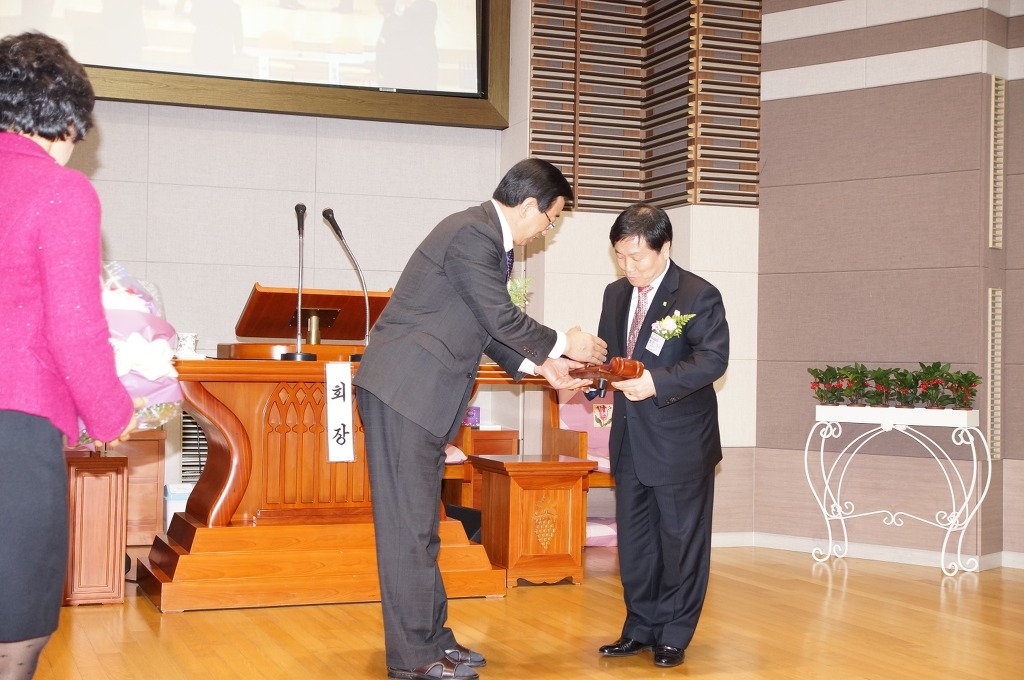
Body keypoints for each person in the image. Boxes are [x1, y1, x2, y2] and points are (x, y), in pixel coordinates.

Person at [353, 158, 607, 680]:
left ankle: (433, 640)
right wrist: (566, 341)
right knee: (407, 532)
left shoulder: (482, 236)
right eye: (552, 219)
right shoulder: (474, 233)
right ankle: (413, 657)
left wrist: (544, 366)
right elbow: (498, 315)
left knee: (422, 529)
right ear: (530, 205)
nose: (548, 230)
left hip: (416, 396)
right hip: (404, 392)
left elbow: (483, 326)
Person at [0, 31, 139, 679]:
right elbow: (74, 329)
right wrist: (112, 415)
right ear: (63, 121)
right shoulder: (59, 191)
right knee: (12, 634)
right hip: (14, 427)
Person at [595, 203, 729, 669]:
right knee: (636, 543)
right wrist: (590, 377)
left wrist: (656, 382)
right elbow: (611, 358)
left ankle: (674, 633)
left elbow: (713, 359)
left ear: (664, 248)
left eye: (637, 257)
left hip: (679, 442)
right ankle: (639, 628)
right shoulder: (615, 294)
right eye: (620, 256)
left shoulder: (697, 294)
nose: (628, 267)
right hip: (630, 438)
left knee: (679, 541)